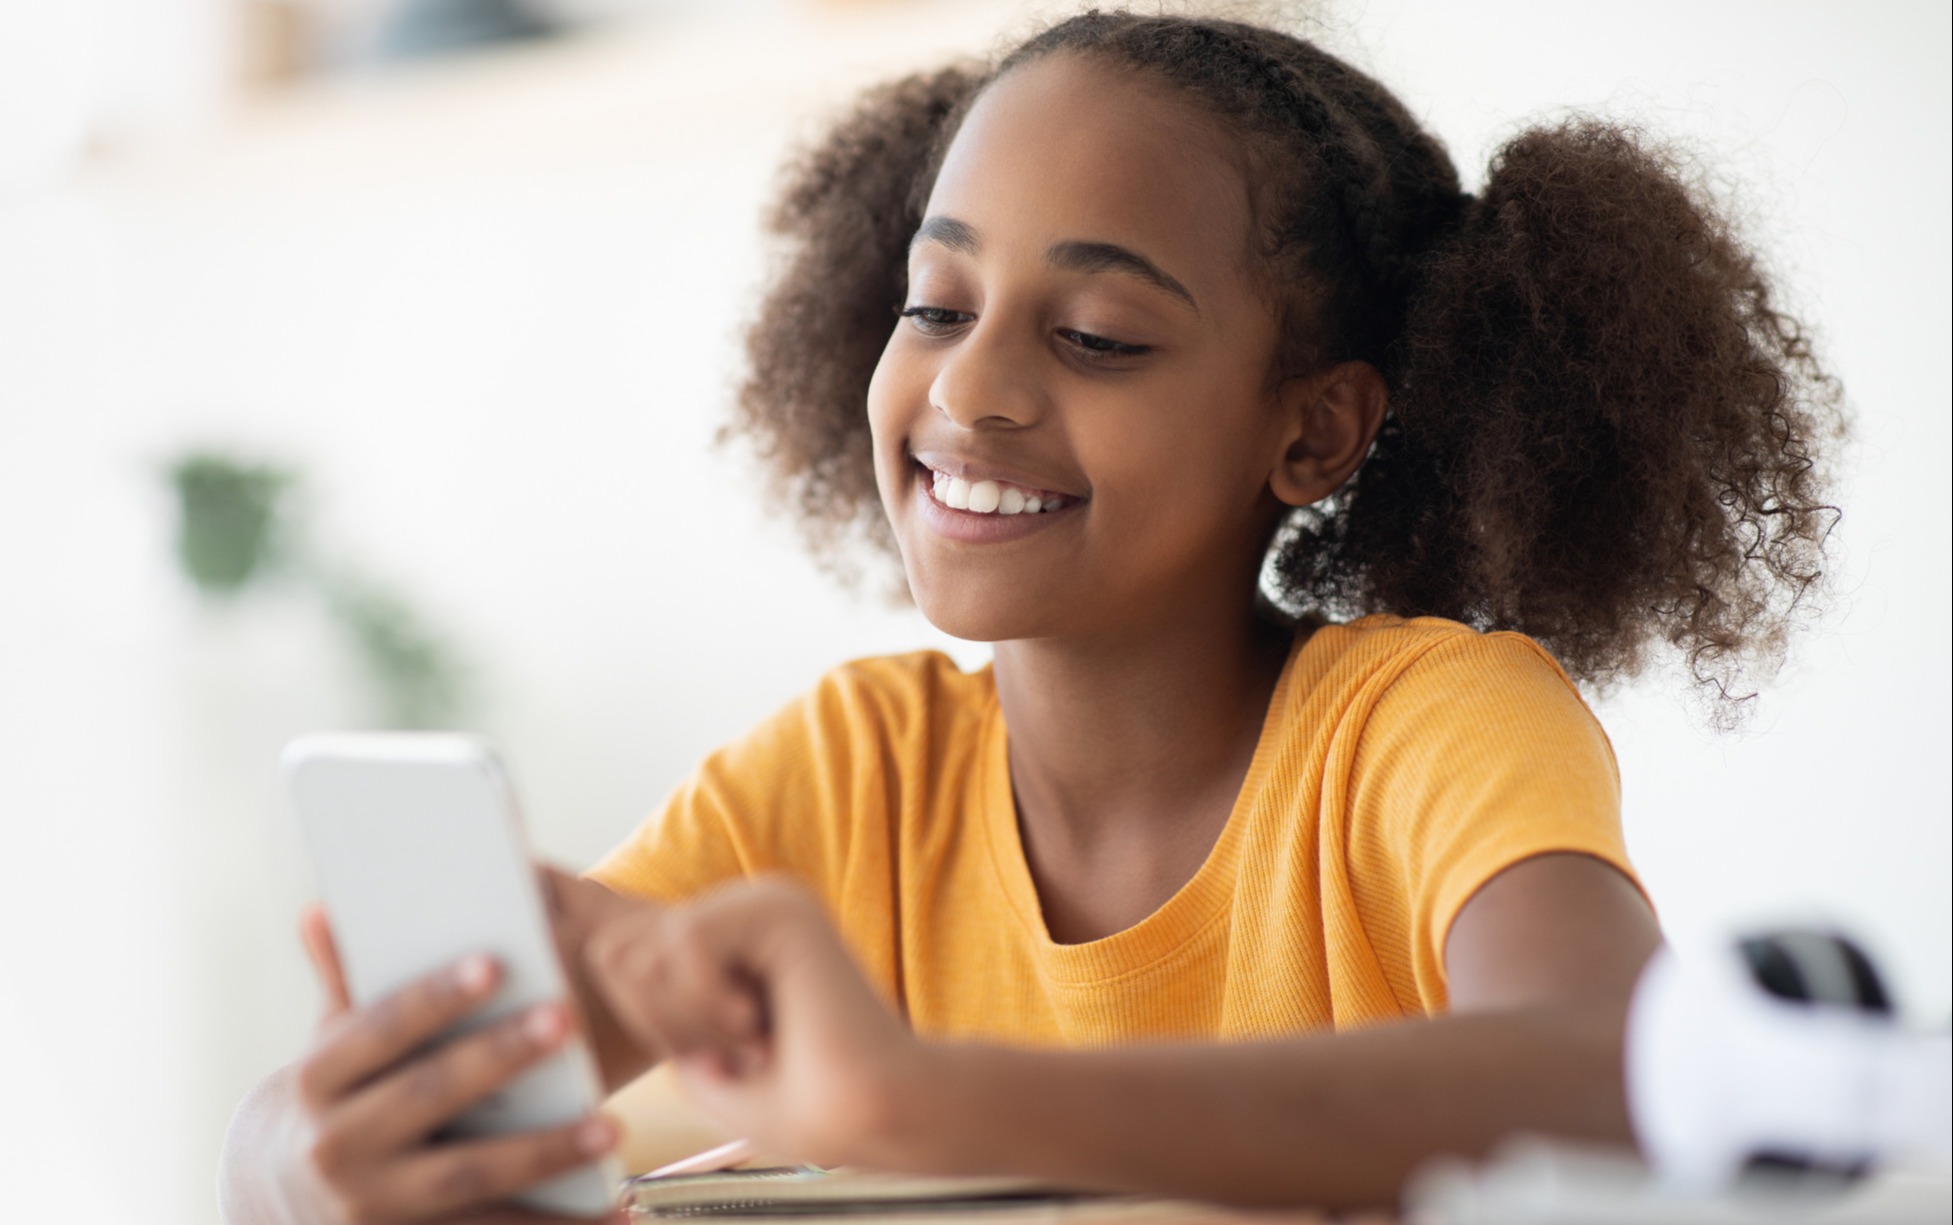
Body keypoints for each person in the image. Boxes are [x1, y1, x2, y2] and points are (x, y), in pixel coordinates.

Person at [220, 11, 1840, 1222]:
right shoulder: (847, 774)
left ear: (1313, 432)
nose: (970, 386)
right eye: (936, 305)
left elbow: (1613, 1070)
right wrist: (306, 1158)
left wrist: (928, 1101)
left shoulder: (1426, 725)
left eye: (1098, 336)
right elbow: (360, 1128)